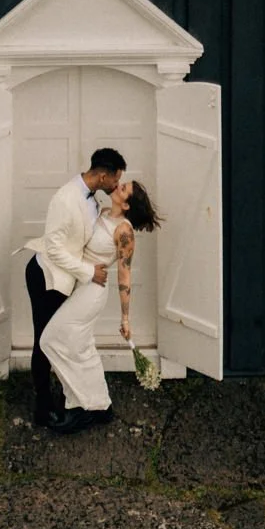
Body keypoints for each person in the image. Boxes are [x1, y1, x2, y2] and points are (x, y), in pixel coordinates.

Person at [40, 176, 161, 436]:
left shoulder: (124, 231)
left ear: (127, 204)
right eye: (122, 183)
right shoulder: (103, 211)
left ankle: (82, 408)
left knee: (49, 340)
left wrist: (125, 319)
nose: (118, 186)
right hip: (80, 282)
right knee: (81, 346)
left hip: (93, 291)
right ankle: (96, 404)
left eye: (124, 188)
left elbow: (125, 275)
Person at [24, 149, 125, 426]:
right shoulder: (65, 198)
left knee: (60, 338)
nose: (117, 185)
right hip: (47, 276)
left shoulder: (93, 200)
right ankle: (42, 409)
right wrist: (89, 272)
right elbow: (54, 249)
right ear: (103, 175)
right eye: (116, 180)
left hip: (67, 279)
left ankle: (72, 395)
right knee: (43, 340)